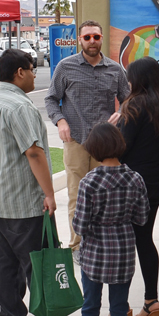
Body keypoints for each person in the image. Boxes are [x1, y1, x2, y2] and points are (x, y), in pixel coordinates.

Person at [0, 49, 78, 316]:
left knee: (6, 264)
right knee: (42, 264)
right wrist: (49, 193)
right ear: (20, 72)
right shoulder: (20, 107)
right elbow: (33, 152)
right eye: (32, 69)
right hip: (23, 201)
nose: (36, 75)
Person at [72, 123, 150, 316]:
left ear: (94, 149)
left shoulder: (89, 181)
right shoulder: (135, 179)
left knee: (89, 311)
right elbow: (141, 218)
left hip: (94, 254)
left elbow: (79, 227)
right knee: (119, 312)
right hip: (124, 252)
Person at [45, 20, 130, 254]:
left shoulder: (115, 69)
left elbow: (128, 98)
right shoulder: (65, 67)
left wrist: (120, 114)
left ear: (101, 38)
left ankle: (100, 243)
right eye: (87, 37)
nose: (92, 41)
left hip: (105, 144)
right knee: (77, 194)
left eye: (96, 36)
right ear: (80, 40)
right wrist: (60, 121)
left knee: (105, 196)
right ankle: (78, 246)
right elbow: (51, 99)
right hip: (76, 141)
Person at [118, 57, 159, 316]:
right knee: (144, 239)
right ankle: (150, 301)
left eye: (130, 77)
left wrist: (114, 124)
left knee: (122, 244)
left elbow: (119, 147)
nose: (128, 82)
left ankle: (119, 309)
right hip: (158, 180)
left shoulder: (134, 105)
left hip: (133, 183)